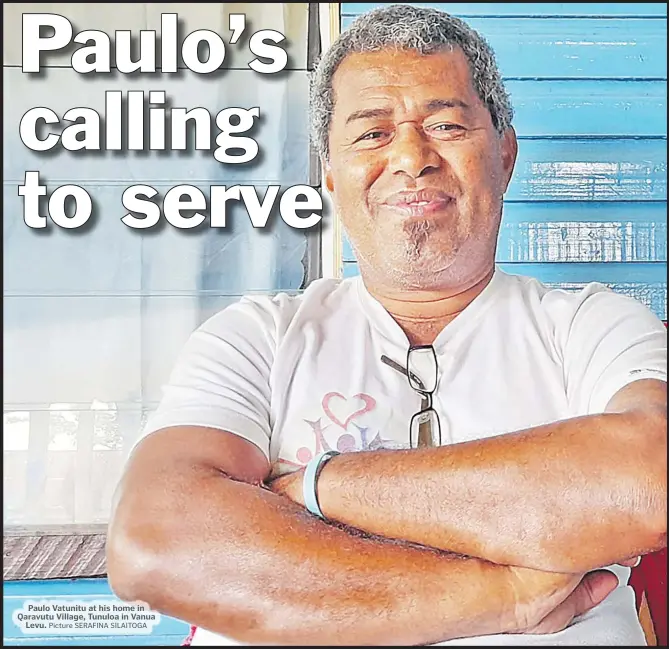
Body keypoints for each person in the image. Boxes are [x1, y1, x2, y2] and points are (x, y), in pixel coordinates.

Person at [106, 4, 667, 646]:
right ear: (330, 179)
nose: (410, 156)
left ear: (505, 155)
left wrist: (317, 487)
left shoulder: (589, 324)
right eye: (371, 134)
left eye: (447, 124)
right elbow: (154, 538)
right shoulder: (257, 337)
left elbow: (648, 480)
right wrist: (500, 596)